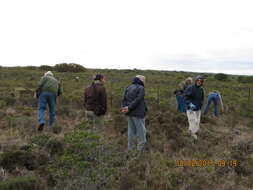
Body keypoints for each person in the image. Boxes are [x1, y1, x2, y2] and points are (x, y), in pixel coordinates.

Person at [121, 75, 147, 151]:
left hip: (129, 113)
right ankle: (139, 152)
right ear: (140, 80)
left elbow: (124, 98)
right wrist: (128, 107)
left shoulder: (129, 87)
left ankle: (130, 150)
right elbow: (138, 99)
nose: (145, 82)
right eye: (144, 80)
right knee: (142, 134)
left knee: (131, 132)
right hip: (138, 114)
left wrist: (125, 107)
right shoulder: (141, 88)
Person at [184, 76, 204, 140]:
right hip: (191, 109)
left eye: (201, 81)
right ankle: (193, 135)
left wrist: (200, 106)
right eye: (198, 80)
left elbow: (202, 99)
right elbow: (185, 97)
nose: (199, 82)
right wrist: (189, 104)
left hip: (198, 109)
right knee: (193, 121)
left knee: (197, 122)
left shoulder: (201, 89)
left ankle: (191, 131)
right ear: (196, 81)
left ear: (202, 82)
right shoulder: (191, 88)